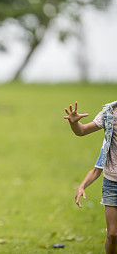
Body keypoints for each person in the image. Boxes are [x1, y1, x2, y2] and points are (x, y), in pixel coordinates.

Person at [64, 101, 117, 254]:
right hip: (112, 183)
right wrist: (74, 123)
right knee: (113, 234)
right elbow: (82, 131)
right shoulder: (109, 113)